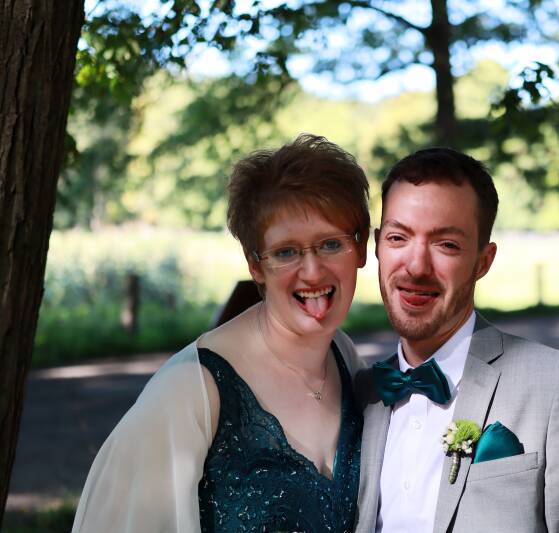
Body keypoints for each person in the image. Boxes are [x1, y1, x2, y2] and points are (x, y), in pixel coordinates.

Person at [72, 134, 371, 533]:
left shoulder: (346, 359)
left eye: (331, 244)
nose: (313, 271)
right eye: (286, 252)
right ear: (255, 266)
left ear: (361, 248)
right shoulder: (189, 390)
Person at [355, 148, 559, 532]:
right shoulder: (358, 396)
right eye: (398, 238)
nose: (416, 267)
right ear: (377, 247)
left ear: (483, 261)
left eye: (446, 244)